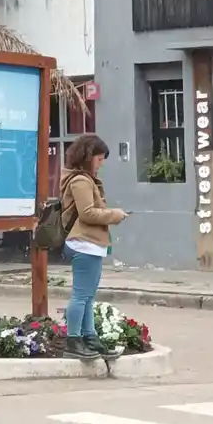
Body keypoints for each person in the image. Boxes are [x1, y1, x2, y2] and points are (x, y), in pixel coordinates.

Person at [59, 135, 128, 358]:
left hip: (90, 244)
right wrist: (114, 215)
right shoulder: (80, 181)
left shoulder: (85, 179)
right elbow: (87, 213)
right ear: (88, 157)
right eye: (99, 159)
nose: (102, 163)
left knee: (88, 295)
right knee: (81, 296)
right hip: (83, 243)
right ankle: (73, 340)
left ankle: (89, 337)